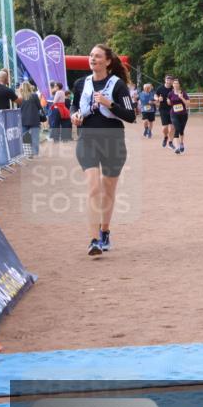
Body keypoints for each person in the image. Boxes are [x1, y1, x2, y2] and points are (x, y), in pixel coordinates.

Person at [71, 44, 136, 256]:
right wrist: (74, 116)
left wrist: (110, 104)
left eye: (97, 56)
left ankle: (105, 231)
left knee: (108, 190)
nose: (93, 59)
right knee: (93, 189)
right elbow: (74, 106)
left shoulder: (117, 86)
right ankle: (94, 240)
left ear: (107, 61)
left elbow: (130, 116)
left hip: (113, 141)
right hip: (87, 139)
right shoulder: (81, 83)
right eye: (91, 56)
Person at [17, 82, 44, 157]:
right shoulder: (34, 96)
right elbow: (39, 107)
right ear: (30, 87)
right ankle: (35, 152)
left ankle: (28, 153)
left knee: (25, 136)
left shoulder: (19, 97)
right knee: (35, 136)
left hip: (23, 119)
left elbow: (17, 109)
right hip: (34, 118)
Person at [167, 79, 190, 154]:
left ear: (179, 85)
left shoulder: (183, 93)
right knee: (177, 128)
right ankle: (177, 148)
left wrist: (181, 98)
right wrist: (168, 101)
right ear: (172, 85)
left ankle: (181, 143)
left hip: (183, 114)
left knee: (181, 130)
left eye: (177, 83)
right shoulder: (170, 93)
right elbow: (169, 103)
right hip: (174, 114)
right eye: (174, 83)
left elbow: (187, 104)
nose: (175, 84)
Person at [154, 74, 175, 148]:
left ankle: (170, 142)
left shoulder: (174, 88)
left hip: (172, 109)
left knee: (172, 127)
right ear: (165, 80)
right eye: (167, 79)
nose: (169, 81)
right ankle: (165, 137)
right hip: (163, 109)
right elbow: (155, 95)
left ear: (172, 81)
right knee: (165, 128)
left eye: (170, 79)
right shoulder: (160, 88)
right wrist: (157, 99)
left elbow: (178, 95)